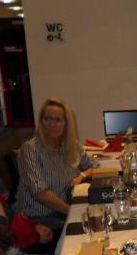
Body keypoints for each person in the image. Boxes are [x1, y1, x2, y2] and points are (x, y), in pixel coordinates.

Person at [14, 97, 94, 230]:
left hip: (63, 210)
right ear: (41, 121)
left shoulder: (69, 145)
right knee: (91, 228)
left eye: (58, 120)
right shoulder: (30, 149)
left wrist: (81, 176)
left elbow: (93, 167)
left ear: (67, 124)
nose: (51, 124)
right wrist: (73, 212)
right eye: (47, 119)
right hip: (39, 219)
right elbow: (40, 194)